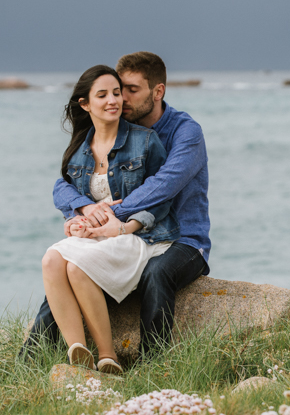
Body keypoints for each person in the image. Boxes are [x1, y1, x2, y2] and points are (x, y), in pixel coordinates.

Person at [22, 52, 210, 360]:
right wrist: (81, 208)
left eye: (131, 90)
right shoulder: (118, 127)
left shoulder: (185, 133)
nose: (121, 99)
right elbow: (65, 180)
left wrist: (109, 216)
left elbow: (163, 186)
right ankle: (31, 358)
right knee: (65, 261)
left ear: (157, 92)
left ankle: (154, 365)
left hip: (182, 238)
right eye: (118, 90)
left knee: (156, 273)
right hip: (132, 235)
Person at [42, 65, 179, 373]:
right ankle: (77, 350)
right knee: (51, 260)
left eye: (116, 93)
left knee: (78, 267)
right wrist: (78, 215)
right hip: (98, 239)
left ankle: (108, 357)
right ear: (85, 104)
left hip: (139, 236)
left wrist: (126, 225)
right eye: (102, 95)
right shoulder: (79, 148)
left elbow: (163, 197)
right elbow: (65, 189)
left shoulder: (145, 141)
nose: (113, 100)